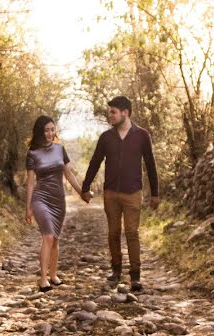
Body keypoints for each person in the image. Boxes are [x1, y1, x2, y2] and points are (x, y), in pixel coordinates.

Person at [81, 96, 159, 292]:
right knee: (113, 233)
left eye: (113, 112)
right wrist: (85, 187)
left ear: (125, 112)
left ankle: (135, 276)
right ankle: (116, 271)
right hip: (111, 193)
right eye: (110, 112)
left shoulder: (142, 135)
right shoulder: (106, 138)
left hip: (133, 192)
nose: (110, 116)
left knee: (132, 233)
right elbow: (95, 162)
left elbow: (150, 164)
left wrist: (155, 193)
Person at [25, 115, 87, 292]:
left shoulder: (60, 149)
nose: (50, 133)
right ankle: (43, 279)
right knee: (48, 237)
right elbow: (30, 182)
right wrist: (28, 208)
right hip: (40, 199)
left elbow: (69, 174)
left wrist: (81, 193)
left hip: (58, 200)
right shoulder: (32, 154)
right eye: (46, 130)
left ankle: (53, 275)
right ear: (39, 132)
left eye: (52, 129)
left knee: (56, 239)